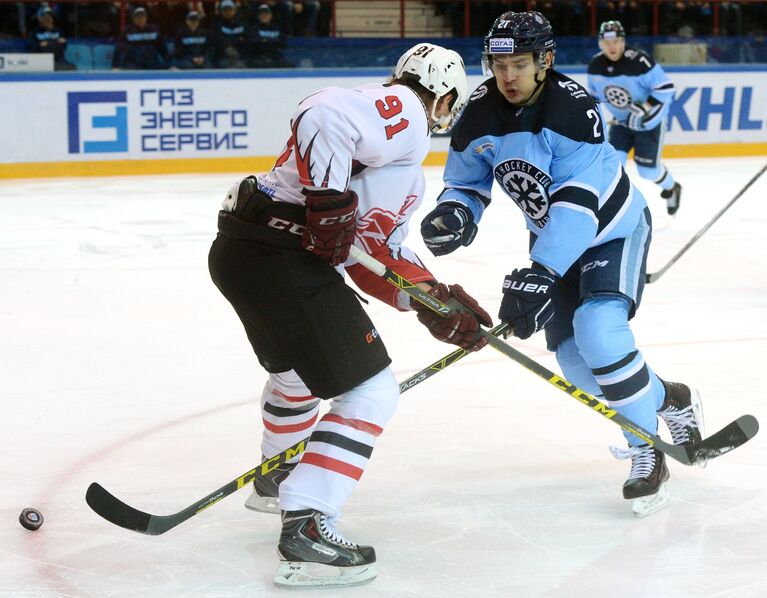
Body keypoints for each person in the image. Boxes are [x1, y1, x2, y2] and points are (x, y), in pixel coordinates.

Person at [208, 43, 491, 587]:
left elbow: (368, 255)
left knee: (295, 375)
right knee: (371, 392)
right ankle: (308, 523)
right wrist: (330, 201)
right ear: (445, 96)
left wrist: (432, 300)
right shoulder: (405, 111)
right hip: (280, 257)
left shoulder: (395, 158)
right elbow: (322, 111)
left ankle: (278, 475)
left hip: (244, 253)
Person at [419, 11, 703, 518]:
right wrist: (456, 211)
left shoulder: (571, 111)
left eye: (520, 64)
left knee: (599, 329)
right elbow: (467, 179)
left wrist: (542, 271)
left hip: (610, 230)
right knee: (576, 365)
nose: (507, 77)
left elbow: (577, 205)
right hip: (554, 243)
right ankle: (669, 398)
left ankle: (646, 450)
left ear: (545, 61)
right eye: (499, 64)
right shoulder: (478, 113)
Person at [586, 20, 682, 215]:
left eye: (616, 41)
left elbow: (666, 88)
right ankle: (614, 211)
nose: (612, 47)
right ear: (600, 44)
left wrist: (645, 108)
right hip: (621, 123)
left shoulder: (639, 61)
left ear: (623, 41)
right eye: (607, 42)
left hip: (649, 123)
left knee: (648, 172)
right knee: (614, 166)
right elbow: (593, 99)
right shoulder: (595, 65)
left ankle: (672, 187)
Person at [28, 5, 75, 70]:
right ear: (39, 18)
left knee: (71, 68)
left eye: (50, 16)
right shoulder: (34, 32)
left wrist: (47, 44)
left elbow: (63, 46)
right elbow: (32, 48)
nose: (49, 19)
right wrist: (54, 43)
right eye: (45, 16)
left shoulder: (59, 31)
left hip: (58, 62)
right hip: (40, 63)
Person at [249, 3, 292, 68]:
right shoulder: (254, 29)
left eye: (266, 13)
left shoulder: (277, 29)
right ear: (258, 16)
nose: (264, 16)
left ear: (270, 15)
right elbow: (254, 43)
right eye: (262, 14)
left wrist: (265, 40)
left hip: (276, 58)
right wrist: (273, 40)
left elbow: (283, 43)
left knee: (289, 64)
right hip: (260, 58)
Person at [212, 0, 249, 68]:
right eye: (225, 10)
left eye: (229, 9)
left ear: (235, 10)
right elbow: (217, 40)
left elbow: (247, 40)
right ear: (221, 12)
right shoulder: (217, 26)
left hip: (241, 57)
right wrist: (227, 47)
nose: (227, 12)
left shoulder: (243, 25)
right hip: (223, 58)